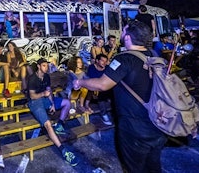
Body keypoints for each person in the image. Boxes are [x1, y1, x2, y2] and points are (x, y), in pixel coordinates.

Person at [73, 20, 168, 173]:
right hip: (158, 122)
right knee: (153, 166)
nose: (121, 34)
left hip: (135, 127)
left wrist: (80, 82)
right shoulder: (154, 55)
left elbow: (102, 84)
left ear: (129, 38)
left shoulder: (124, 59)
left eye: (123, 31)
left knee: (133, 168)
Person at [27, 58, 79, 166]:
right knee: (48, 125)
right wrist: (43, 95)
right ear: (38, 66)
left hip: (45, 99)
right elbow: (32, 96)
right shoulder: (32, 79)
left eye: (47, 65)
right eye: (44, 65)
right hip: (35, 102)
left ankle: (59, 125)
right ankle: (64, 151)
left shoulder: (46, 76)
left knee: (67, 103)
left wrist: (52, 104)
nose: (47, 68)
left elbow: (48, 90)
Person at [86, 54, 113, 125]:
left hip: (106, 88)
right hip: (95, 89)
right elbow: (92, 80)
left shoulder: (107, 68)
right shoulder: (92, 68)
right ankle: (103, 114)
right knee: (102, 94)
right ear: (97, 61)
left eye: (106, 61)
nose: (104, 63)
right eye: (102, 61)